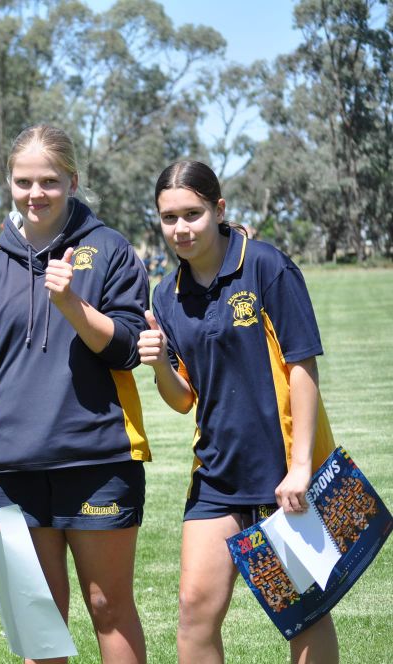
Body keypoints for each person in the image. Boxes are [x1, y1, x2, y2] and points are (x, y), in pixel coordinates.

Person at [0, 125, 151, 664]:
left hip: (99, 458)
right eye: (23, 181)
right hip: (14, 471)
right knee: (40, 617)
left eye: (49, 181)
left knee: (107, 605)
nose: (35, 193)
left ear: (73, 181)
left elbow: (130, 348)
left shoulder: (109, 249)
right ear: (9, 183)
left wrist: (73, 307)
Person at [138, 160, 339, 664]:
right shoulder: (166, 295)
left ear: (218, 209)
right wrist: (160, 362)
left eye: (192, 213)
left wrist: (300, 467)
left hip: (283, 474)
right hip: (217, 476)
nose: (180, 228)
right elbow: (183, 398)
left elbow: (302, 365)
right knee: (194, 609)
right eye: (168, 218)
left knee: (303, 612)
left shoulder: (265, 265)